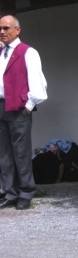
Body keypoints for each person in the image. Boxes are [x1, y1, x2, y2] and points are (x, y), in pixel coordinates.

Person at [0, 15, 48, 210]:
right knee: (3, 154)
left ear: (17, 30)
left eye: (6, 28)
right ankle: (9, 192)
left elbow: (40, 84)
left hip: (19, 108)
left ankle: (26, 192)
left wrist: (28, 106)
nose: (2, 31)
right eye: (0, 29)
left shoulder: (28, 52)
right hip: (1, 106)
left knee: (21, 152)